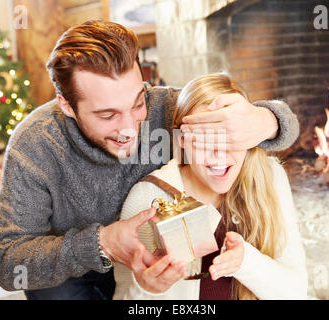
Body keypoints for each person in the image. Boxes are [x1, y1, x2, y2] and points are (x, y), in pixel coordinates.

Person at [0, 20, 300, 300]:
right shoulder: (35, 144)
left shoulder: (167, 109)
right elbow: (7, 262)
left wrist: (265, 120)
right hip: (69, 275)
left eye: (138, 103)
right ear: (67, 105)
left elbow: (282, 126)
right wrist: (102, 243)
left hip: (150, 276)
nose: (130, 128)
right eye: (107, 114)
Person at [113, 73, 307, 300]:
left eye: (230, 137)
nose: (219, 154)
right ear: (182, 139)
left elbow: (296, 292)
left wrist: (246, 262)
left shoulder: (270, 177)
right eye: (205, 137)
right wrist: (147, 290)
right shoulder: (149, 198)